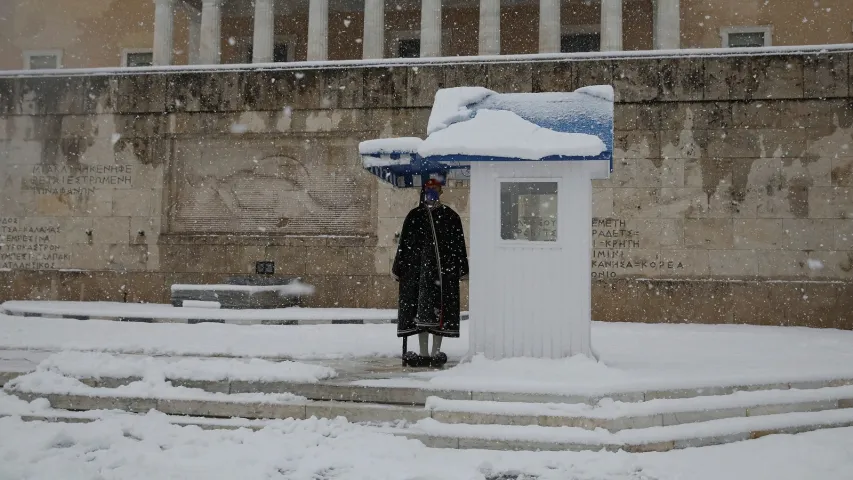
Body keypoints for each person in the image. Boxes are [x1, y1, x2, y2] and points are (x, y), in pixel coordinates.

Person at [392, 178, 469, 368]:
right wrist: (399, 267)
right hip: (418, 273)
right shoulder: (414, 216)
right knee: (421, 315)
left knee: (439, 315)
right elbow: (404, 246)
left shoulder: (450, 216)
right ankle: (423, 353)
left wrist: (461, 268)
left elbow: (459, 245)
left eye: (435, 188)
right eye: (428, 189)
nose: (431, 192)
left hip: (442, 274)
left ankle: (436, 352)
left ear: (441, 191)